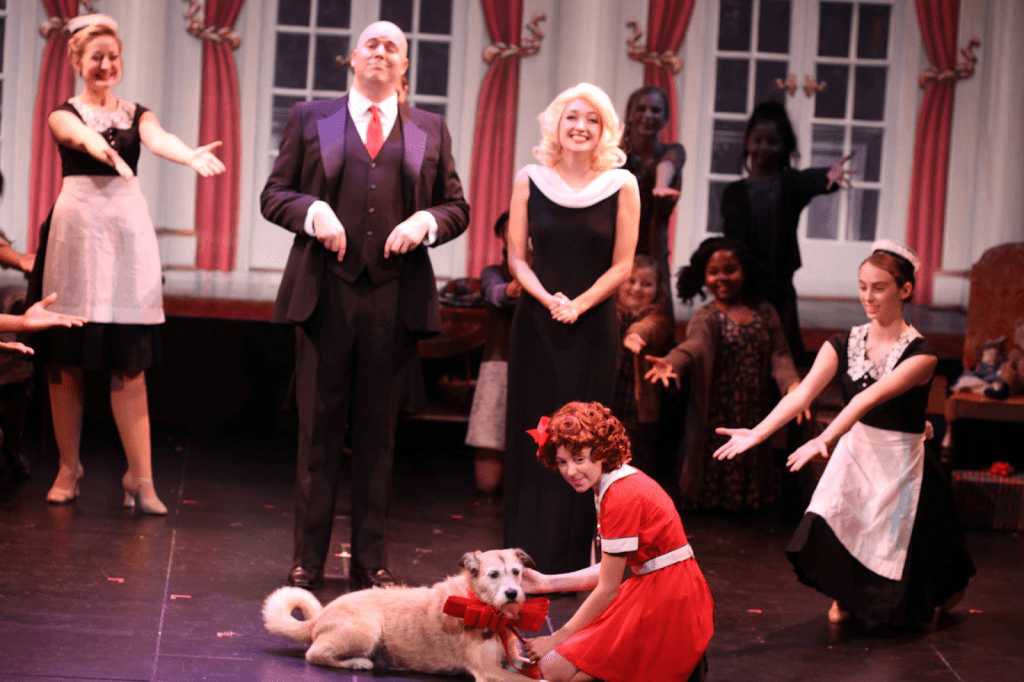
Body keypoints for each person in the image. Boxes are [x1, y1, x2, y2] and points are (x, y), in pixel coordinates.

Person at [261, 20, 469, 591]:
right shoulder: (313, 119)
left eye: (393, 47)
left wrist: (426, 220)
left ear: (404, 66)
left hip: (393, 297)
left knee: (379, 438)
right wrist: (311, 211)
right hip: (324, 294)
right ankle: (306, 561)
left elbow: (457, 206)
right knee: (318, 435)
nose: (381, 51)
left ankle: (371, 564)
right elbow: (273, 194)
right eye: (371, 43)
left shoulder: (428, 128)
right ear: (353, 58)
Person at [713, 241, 976, 628]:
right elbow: (802, 393)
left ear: (905, 290)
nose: (868, 297)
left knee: (932, 577)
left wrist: (826, 437)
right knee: (834, 521)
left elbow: (866, 399)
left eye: (879, 287)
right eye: (862, 286)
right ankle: (848, 595)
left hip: (904, 462)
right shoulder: (843, 342)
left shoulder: (922, 354)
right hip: (859, 452)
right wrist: (758, 432)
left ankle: (926, 591)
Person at [38, 14, 225, 512]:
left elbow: (158, 137)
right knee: (68, 359)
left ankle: (139, 478)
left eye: (113, 57)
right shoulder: (64, 112)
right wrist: (103, 148)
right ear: (78, 61)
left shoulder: (137, 112)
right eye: (96, 57)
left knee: (130, 362)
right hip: (76, 236)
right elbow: (77, 136)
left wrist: (186, 156)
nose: (106, 65)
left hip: (125, 236)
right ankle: (68, 467)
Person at [503, 83, 640, 575]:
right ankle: (523, 560)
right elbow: (517, 256)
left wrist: (579, 304)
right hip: (537, 324)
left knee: (585, 444)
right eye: (572, 118)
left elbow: (623, 265)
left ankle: (572, 565)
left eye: (593, 120)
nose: (581, 127)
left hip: (593, 325)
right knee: (533, 439)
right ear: (556, 125)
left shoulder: (622, 184)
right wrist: (549, 300)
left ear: (604, 130)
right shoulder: (530, 178)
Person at [521, 401, 714, 682]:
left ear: (600, 453)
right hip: (652, 584)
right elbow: (609, 570)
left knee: (559, 669)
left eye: (579, 459)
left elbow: (609, 588)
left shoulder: (622, 494)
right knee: (553, 668)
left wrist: (557, 637)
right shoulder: (609, 484)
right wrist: (545, 583)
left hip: (670, 596)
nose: (570, 472)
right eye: (562, 462)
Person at [645, 237, 801, 511]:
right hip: (716, 409)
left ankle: (748, 506)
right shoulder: (707, 316)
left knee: (752, 448)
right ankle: (711, 507)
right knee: (716, 453)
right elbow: (693, 346)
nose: (722, 278)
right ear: (703, 277)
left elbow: (780, 355)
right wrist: (672, 362)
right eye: (713, 272)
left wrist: (793, 386)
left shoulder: (764, 312)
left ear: (746, 271)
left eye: (731, 269)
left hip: (753, 408)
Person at [721, 100, 853, 359]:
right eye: (758, 140)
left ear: (784, 147)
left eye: (772, 141)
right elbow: (731, 239)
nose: (764, 147)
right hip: (745, 283)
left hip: (780, 284)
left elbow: (812, 180)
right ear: (747, 142)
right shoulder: (734, 192)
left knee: (783, 347)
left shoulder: (789, 183)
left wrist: (830, 175)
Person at [463, 211, 518, 493]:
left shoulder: (553, 271)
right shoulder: (494, 272)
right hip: (500, 363)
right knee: (487, 482)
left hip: (539, 367)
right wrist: (517, 286)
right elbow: (495, 293)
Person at [620, 86, 685, 305]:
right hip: (617, 249)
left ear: (665, 117)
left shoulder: (674, 151)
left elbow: (668, 164)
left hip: (654, 248)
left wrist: (660, 186)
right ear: (630, 114)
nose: (648, 115)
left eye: (655, 110)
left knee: (657, 317)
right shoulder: (617, 155)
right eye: (641, 109)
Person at [612, 254, 672, 471]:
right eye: (632, 281)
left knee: (632, 457)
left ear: (658, 289)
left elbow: (650, 327)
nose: (637, 288)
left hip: (636, 406)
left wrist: (633, 334)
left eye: (646, 284)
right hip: (609, 396)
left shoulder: (658, 317)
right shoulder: (611, 312)